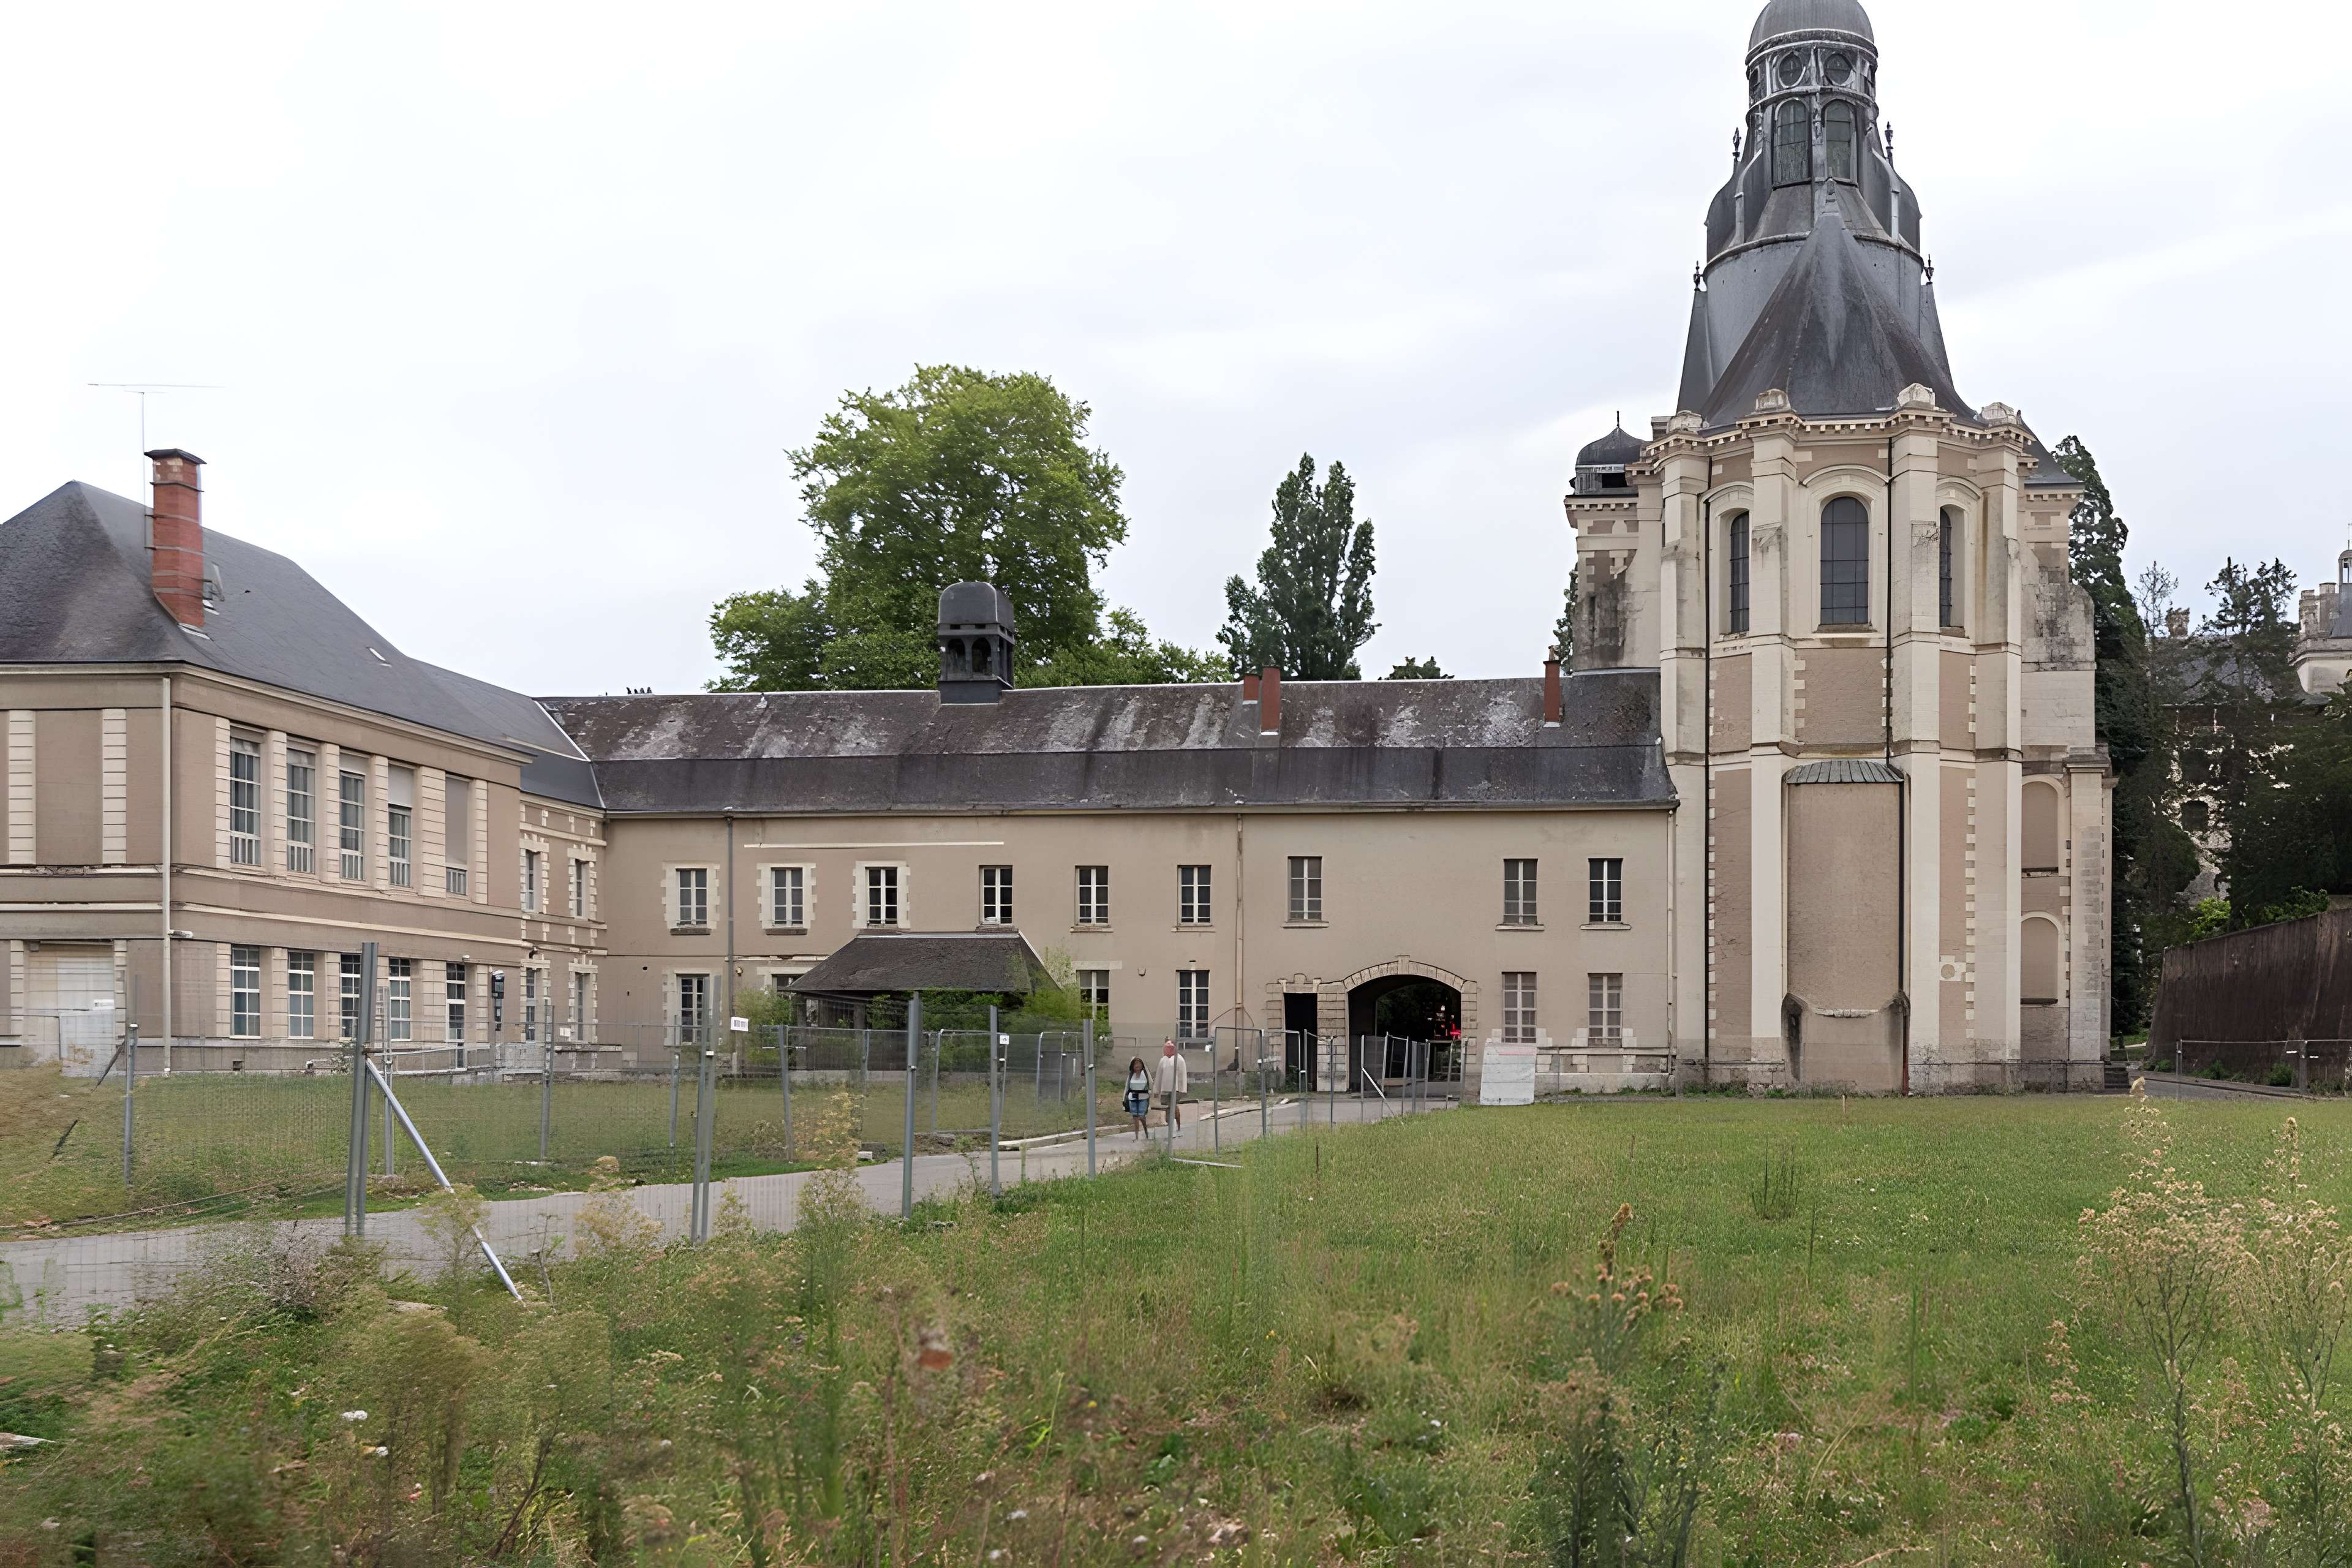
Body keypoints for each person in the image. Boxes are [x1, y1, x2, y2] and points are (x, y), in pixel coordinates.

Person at [1155, 1038, 1189, 1134]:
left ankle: (1176, 1127)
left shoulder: (1180, 1059)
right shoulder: (1163, 1060)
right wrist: (1156, 1090)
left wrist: (1182, 1090)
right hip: (1165, 1089)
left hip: (1176, 1089)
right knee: (1169, 1108)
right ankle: (1171, 1127)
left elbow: (1183, 1076)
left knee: (1173, 1107)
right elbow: (1159, 1075)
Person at [1122, 1055, 1152, 1139]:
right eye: (1135, 1064)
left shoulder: (1145, 1074)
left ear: (1142, 1065)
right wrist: (1124, 1099)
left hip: (1143, 1097)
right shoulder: (1131, 1075)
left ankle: (1146, 1133)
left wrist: (1151, 1093)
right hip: (1133, 1097)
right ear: (1132, 1066)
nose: (1137, 1066)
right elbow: (1127, 1087)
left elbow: (1151, 1084)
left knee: (1142, 1117)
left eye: (1139, 1064)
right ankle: (1137, 1137)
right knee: (1135, 1117)